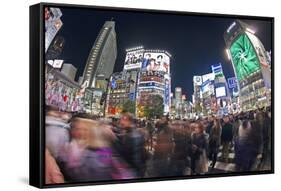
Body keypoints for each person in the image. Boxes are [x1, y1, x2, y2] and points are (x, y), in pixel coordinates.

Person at [117, 113, 146, 177]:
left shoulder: (132, 136)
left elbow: (136, 159)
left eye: (124, 119)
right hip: (132, 170)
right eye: (121, 119)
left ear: (130, 121)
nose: (121, 121)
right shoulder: (127, 133)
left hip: (133, 172)